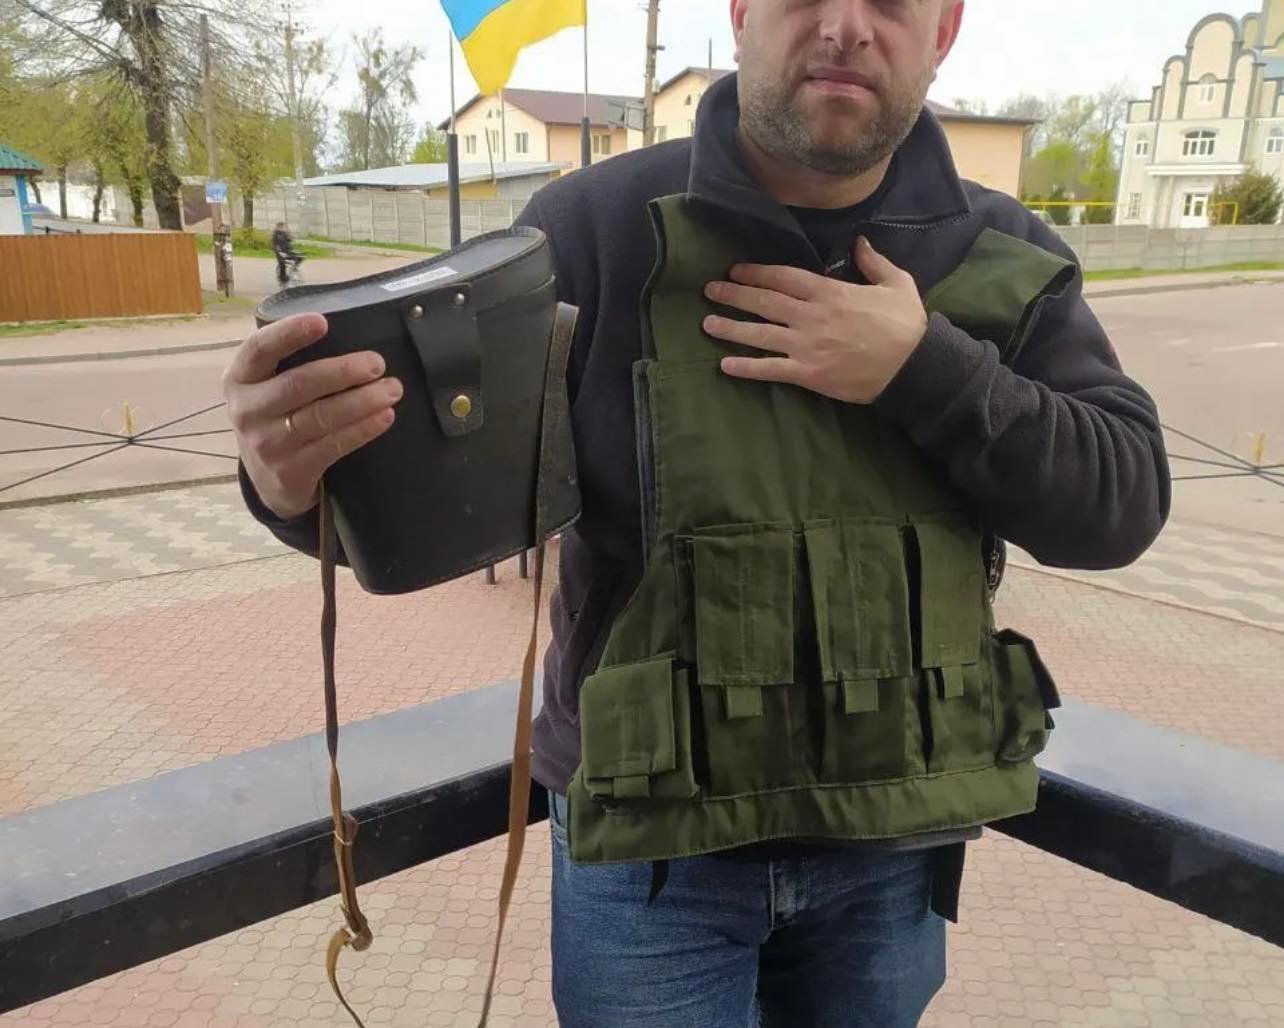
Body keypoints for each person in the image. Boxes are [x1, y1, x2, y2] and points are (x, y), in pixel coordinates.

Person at [224, 1, 1171, 1024]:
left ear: (943, 32)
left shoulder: (1004, 249)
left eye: (890, 2)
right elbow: (435, 504)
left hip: (891, 848)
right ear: (742, 12)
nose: (845, 26)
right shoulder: (588, 230)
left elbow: (1121, 503)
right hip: (650, 862)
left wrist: (922, 368)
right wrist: (290, 482)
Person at [271, 221, 303, 285]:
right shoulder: (275, 235)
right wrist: (279, 252)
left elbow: (290, 240)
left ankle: (293, 268)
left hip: (289, 251)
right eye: (280, 227)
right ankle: (282, 279)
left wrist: (288, 233)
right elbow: (274, 245)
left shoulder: (284, 233)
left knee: (300, 257)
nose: (282, 228)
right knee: (282, 265)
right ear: (277, 227)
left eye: (283, 227)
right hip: (280, 253)